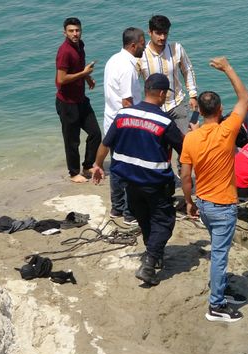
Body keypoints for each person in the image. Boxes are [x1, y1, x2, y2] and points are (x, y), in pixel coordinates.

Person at [90, 74, 184, 286]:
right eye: (165, 95)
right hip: (155, 183)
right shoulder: (164, 121)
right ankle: (150, 263)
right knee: (164, 221)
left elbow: (106, 143)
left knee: (144, 218)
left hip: (129, 183)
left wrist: (97, 165)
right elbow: (184, 149)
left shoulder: (123, 115)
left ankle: (154, 253)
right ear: (161, 94)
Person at [180, 57, 248, 323]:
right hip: (223, 206)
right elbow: (244, 98)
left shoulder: (191, 137)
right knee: (219, 256)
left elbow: (186, 176)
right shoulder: (226, 131)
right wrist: (228, 68)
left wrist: (189, 202)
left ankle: (221, 289)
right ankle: (216, 306)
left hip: (204, 204)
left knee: (218, 252)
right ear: (220, 110)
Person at [103, 27, 146, 224]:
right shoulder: (128, 68)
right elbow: (127, 102)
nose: (145, 46)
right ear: (133, 45)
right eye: (142, 43)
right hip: (125, 125)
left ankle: (117, 208)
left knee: (117, 167)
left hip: (112, 121)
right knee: (131, 169)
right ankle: (130, 213)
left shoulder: (113, 60)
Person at [55, 17, 101, 183]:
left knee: (96, 133)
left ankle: (88, 165)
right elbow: (61, 79)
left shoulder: (80, 45)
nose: (75, 34)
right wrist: (83, 74)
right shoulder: (64, 51)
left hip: (81, 100)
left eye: (77, 30)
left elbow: (78, 68)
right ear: (65, 33)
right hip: (67, 103)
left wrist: (87, 77)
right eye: (71, 31)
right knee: (72, 141)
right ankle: (74, 173)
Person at [137, 15, 198, 134]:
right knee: (158, 147)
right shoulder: (141, 55)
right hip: (154, 109)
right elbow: (133, 81)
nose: (162, 37)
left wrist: (193, 95)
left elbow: (188, 70)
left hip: (177, 105)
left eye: (165, 33)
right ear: (149, 32)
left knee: (184, 143)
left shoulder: (176, 48)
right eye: (158, 33)